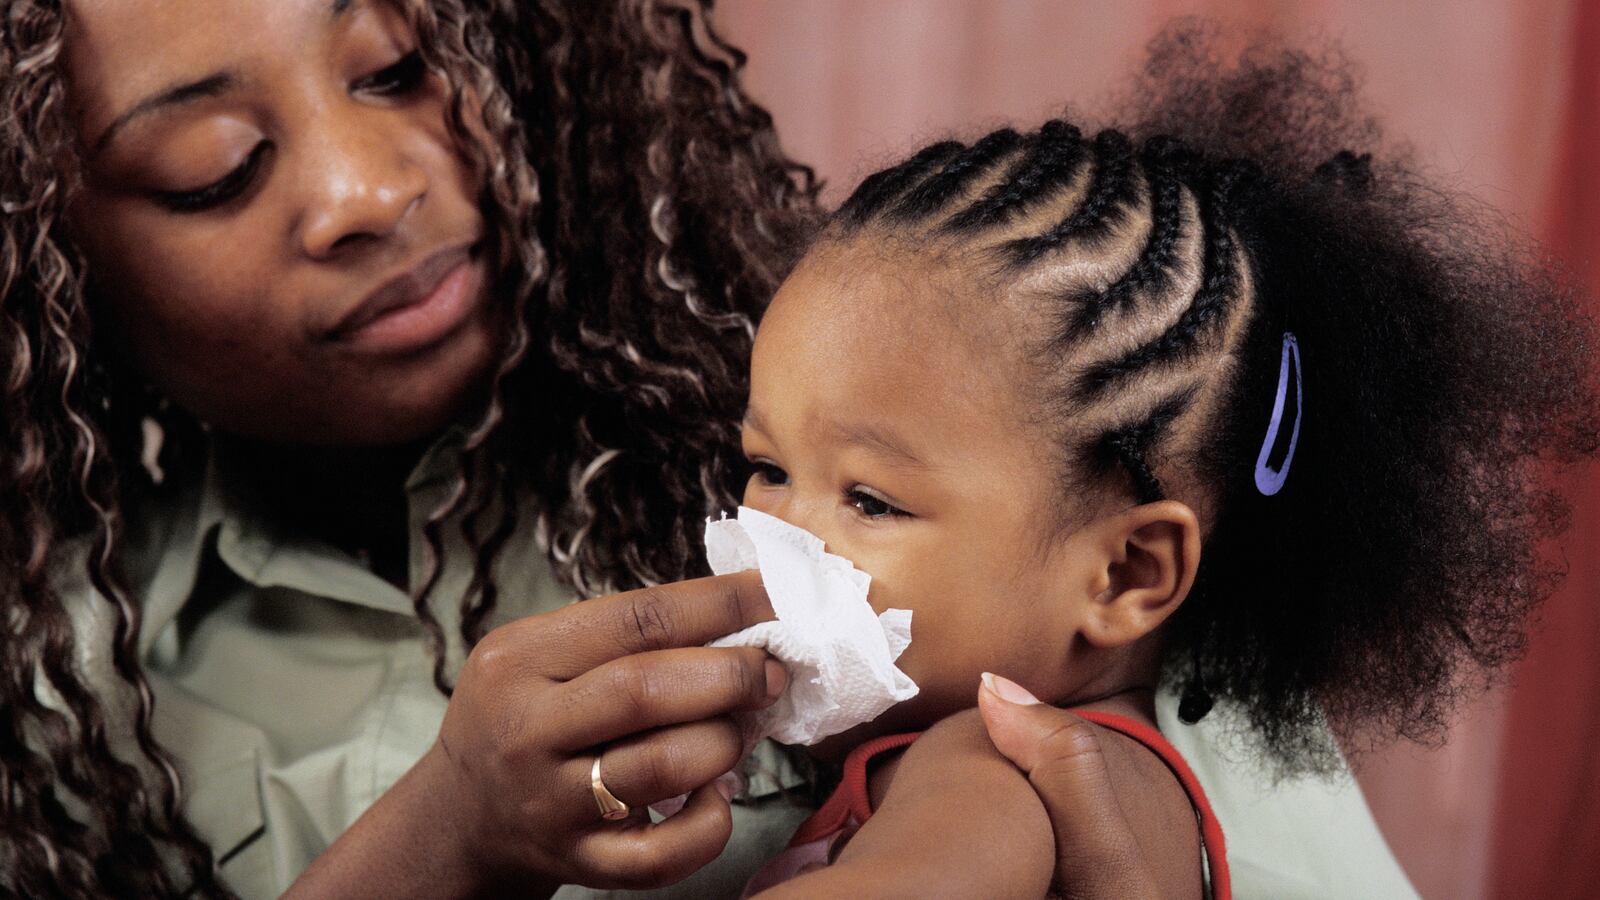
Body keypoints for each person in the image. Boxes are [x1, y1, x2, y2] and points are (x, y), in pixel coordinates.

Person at [0, 0, 1492, 896]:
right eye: (211, 168)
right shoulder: (66, 692)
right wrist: (439, 840)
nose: (357, 192)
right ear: (48, 247)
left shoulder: (963, 381)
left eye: (395, 64)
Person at [709, 31, 1599, 898]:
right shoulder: (1133, 763)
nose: (778, 534)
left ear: (1127, 573)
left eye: (869, 500)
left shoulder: (995, 763)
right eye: (767, 466)